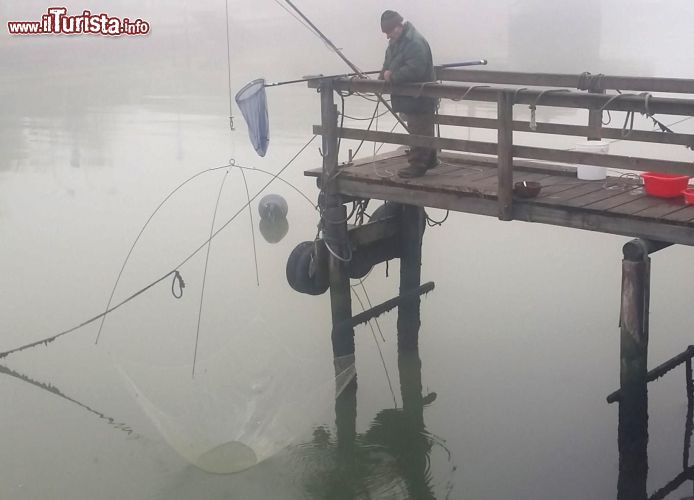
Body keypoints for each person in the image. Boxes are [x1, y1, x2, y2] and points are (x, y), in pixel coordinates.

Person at [379, 10, 438, 178]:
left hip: (420, 97)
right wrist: (381, 78)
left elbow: (416, 70)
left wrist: (393, 76)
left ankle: (418, 165)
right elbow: (388, 64)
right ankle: (431, 159)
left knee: (420, 129)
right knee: (417, 128)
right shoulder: (396, 42)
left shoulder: (415, 42)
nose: (388, 36)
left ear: (399, 26)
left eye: (389, 31)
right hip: (408, 98)